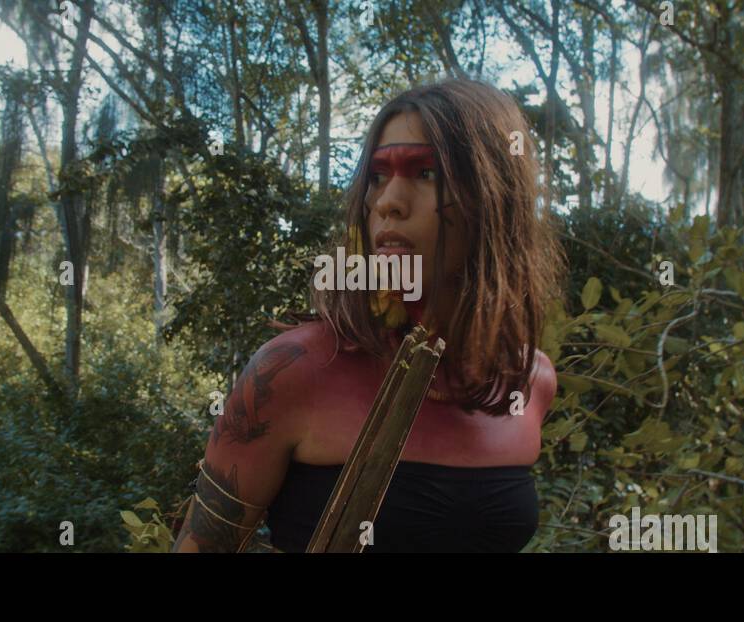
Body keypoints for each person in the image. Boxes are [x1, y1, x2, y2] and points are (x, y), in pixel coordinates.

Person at [172, 78, 565, 553]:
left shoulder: (529, 379)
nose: (387, 202)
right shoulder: (295, 369)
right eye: (377, 176)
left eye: (425, 173)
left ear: (494, 195)